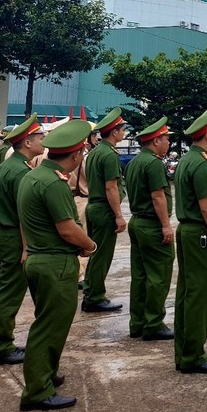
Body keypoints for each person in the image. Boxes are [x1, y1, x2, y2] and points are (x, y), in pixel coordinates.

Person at [17, 119, 97, 412]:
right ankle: (37, 390)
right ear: (76, 155)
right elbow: (67, 229)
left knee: (47, 321)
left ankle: (45, 374)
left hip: (39, 259)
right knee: (50, 327)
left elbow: (24, 221)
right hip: (55, 263)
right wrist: (90, 245)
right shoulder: (55, 183)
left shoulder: (33, 176)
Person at [173, 106, 207, 374]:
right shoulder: (203, 164)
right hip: (202, 235)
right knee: (200, 295)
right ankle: (193, 355)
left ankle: (184, 351)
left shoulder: (187, 159)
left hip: (189, 232)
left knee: (187, 293)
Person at [0, 115, 45, 365]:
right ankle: (1, 344)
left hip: (2, 231)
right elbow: (24, 215)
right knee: (10, 292)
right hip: (13, 235)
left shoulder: (6, 166)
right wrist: (27, 248)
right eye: (39, 137)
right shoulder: (20, 171)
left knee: (2, 287)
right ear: (27, 142)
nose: (43, 141)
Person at [126, 117, 176, 341]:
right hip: (152, 225)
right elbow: (157, 196)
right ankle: (154, 323)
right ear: (156, 141)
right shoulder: (154, 163)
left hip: (137, 221)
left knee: (140, 275)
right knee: (158, 275)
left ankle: (137, 322)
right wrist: (166, 225)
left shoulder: (135, 162)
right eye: (166, 139)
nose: (168, 143)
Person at [82, 108, 127, 313]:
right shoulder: (108, 154)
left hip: (94, 206)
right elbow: (110, 187)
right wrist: (119, 215)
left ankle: (91, 291)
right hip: (104, 210)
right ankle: (95, 297)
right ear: (115, 132)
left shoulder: (95, 152)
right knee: (102, 255)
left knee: (95, 253)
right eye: (122, 128)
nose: (124, 132)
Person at [67, 126, 101, 284]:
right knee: (83, 237)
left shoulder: (68, 156)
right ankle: (80, 275)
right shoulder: (85, 157)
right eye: (94, 135)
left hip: (72, 197)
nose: (96, 138)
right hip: (84, 198)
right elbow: (92, 179)